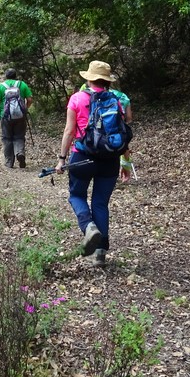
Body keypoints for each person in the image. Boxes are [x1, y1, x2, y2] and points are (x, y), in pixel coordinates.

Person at [56, 61, 126, 267]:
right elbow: (121, 132)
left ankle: (88, 227)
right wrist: (125, 162)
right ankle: (100, 253)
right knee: (100, 203)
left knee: (76, 195)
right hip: (110, 159)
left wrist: (61, 159)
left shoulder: (77, 99)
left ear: (89, 78)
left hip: (83, 157)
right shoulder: (116, 100)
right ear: (106, 80)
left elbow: (69, 131)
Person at [0, 69, 33, 168]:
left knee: (7, 138)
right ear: (15, 76)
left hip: (6, 116)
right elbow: (29, 99)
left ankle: (9, 162)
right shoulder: (22, 84)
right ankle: (20, 153)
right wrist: (24, 109)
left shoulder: (1, 86)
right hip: (20, 116)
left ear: (6, 76)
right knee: (19, 136)